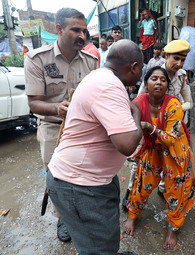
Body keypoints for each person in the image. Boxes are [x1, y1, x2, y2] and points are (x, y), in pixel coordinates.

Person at [46, 39, 144, 255]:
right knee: (96, 247)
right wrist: (137, 115)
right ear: (134, 67)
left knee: (100, 240)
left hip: (84, 181)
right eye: (142, 68)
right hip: (80, 186)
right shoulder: (110, 86)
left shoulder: (100, 77)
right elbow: (127, 145)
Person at [24, 8, 98, 243]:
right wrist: (58, 108)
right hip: (52, 126)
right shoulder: (37, 59)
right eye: (75, 29)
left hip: (83, 129)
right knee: (57, 178)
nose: (82, 35)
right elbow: (35, 103)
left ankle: (82, 214)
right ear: (58, 29)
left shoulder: (91, 61)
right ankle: (62, 218)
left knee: (84, 175)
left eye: (84, 30)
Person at [124, 66, 195, 250]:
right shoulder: (139, 102)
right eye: (154, 79)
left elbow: (170, 139)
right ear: (146, 83)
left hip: (174, 151)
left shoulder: (174, 105)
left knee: (176, 191)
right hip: (153, 149)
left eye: (163, 80)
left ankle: (173, 229)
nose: (158, 82)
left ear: (167, 85)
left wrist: (149, 126)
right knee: (142, 184)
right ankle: (132, 216)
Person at [122, 40, 192, 209]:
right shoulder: (154, 72)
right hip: (148, 126)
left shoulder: (182, 75)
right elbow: (138, 103)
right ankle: (132, 191)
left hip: (170, 127)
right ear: (166, 55)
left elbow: (189, 101)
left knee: (169, 158)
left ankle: (162, 187)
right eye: (176, 58)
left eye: (183, 60)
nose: (179, 64)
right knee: (143, 161)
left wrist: (174, 111)